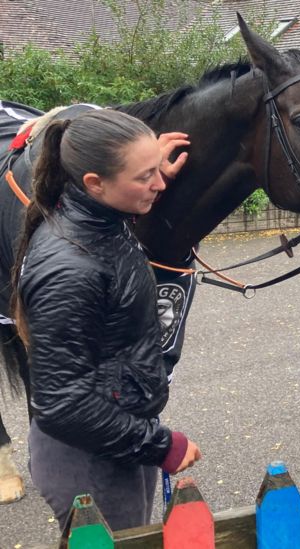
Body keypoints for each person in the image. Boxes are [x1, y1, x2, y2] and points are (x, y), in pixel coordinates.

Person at [11, 109, 200, 530]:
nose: (159, 183)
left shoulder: (98, 218)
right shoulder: (70, 268)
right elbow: (62, 403)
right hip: (90, 458)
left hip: (114, 438)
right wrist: (160, 444)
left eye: (158, 170)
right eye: (144, 176)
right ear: (95, 183)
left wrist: (144, 171)